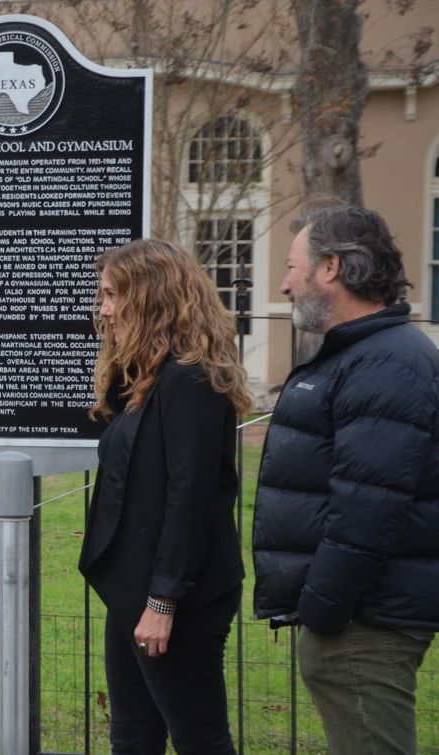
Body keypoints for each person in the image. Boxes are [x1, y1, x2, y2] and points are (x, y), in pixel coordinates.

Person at [254, 205, 439, 754]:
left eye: (292, 267)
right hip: (360, 614)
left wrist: (323, 608)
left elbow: (370, 507)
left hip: (367, 619)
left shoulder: (385, 362)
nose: (284, 285)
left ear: (330, 268)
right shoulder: (363, 354)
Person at [78, 239, 251, 753]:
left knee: (200, 740)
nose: (103, 310)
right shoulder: (147, 377)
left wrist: (163, 601)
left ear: (150, 297)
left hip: (177, 599)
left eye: (111, 296)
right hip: (133, 591)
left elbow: (190, 498)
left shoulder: (190, 379)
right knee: (132, 737)